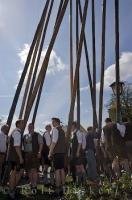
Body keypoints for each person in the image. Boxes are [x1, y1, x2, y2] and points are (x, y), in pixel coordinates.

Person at [23, 123, 43, 193]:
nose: (30, 128)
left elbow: (41, 143)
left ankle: (34, 185)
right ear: (27, 128)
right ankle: (31, 183)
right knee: (29, 170)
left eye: (31, 127)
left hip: (35, 154)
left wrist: (39, 152)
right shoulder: (25, 136)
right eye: (29, 127)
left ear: (33, 127)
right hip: (27, 155)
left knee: (34, 170)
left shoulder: (37, 134)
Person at [48, 118, 66, 196]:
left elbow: (54, 141)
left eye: (53, 122)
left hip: (57, 153)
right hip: (62, 152)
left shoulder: (55, 129)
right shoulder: (62, 130)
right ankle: (63, 188)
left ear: (57, 122)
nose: (52, 123)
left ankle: (58, 190)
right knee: (62, 170)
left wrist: (50, 152)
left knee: (57, 171)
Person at [8, 119, 24, 199]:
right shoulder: (17, 132)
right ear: (18, 124)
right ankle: (11, 192)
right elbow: (17, 146)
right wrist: (21, 157)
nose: (23, 124)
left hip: (13, 156)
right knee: (13, 173)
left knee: (16, 172)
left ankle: (13, 190)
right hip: (15, 156)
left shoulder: (15, 132)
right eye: (22, 123)